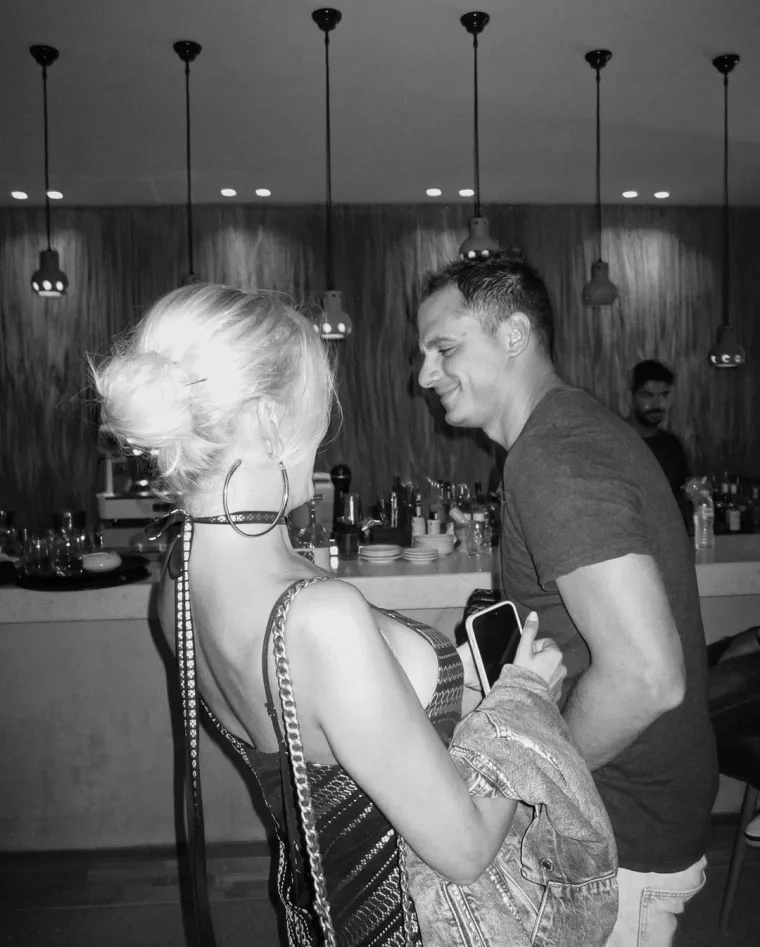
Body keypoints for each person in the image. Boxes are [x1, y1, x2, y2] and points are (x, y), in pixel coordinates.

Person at [92, 282, 571, 946]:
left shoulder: (176, 580)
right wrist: (525, 704)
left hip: (323, 921)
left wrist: (443, 678)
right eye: (318, 407)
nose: (321, 431)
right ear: (268, 421)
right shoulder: (320, 617)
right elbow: (464, 851)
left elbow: (331, 726)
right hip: (409, 926)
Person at [417, 253, 719, 947]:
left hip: (618, 831)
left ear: (514, 335)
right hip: (622, 814)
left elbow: (647, 676)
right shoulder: (558, 437)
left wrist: (532, 776)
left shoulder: (554, 454)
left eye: (444, 348)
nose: (425, 374)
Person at [627, 359, 690, 518]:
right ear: (632, 396)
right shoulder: (615, 440)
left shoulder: (671, 446)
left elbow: (683, 494)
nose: (657, 404)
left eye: (663, 395)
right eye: (647, 395)